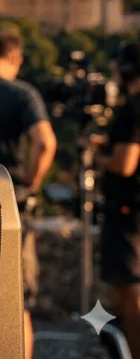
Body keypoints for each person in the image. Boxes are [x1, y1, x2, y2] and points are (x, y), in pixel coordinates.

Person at [0, 28, 57, 359]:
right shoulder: (22, 94)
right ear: (16, 59)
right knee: (17, 294)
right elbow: (45, 142)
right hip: (11, 201)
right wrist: (31, 181)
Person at [93, 40, 140, 356]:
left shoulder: (132, 109)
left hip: (126, 212)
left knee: (130, 290)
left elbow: (125, 164)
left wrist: (99, 157)